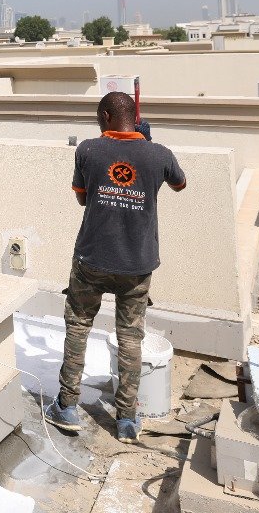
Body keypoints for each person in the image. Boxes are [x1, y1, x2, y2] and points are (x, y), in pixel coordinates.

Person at [46, 91, 186, 444]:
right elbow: (180, 184)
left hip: (91, 260)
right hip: (136, 264)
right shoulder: (160, 154)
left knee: (78, 327)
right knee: (130, 337)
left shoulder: (88, 150)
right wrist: (148, 150)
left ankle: (67, 405)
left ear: (107, 116)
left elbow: (83, 198)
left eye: (99, 118)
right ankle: (126, 419)